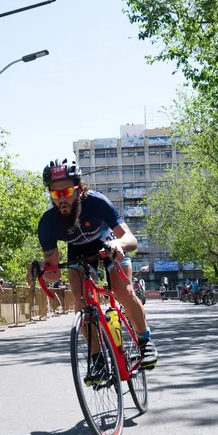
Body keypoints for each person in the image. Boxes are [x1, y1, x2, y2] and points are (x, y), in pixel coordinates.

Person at [29, 158, 158, 382]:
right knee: (80, 303)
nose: (62, 199)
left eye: (68, 191)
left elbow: (131, 239)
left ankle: (145, 341)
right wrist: (41, 269)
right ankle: (98, 359)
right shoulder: (48, 223)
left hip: (108, 243)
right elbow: (54, 273)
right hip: (78, 251)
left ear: (79, 189)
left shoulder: (98, 203)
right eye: (56, 194)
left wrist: (120, 245)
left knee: (122, 290)